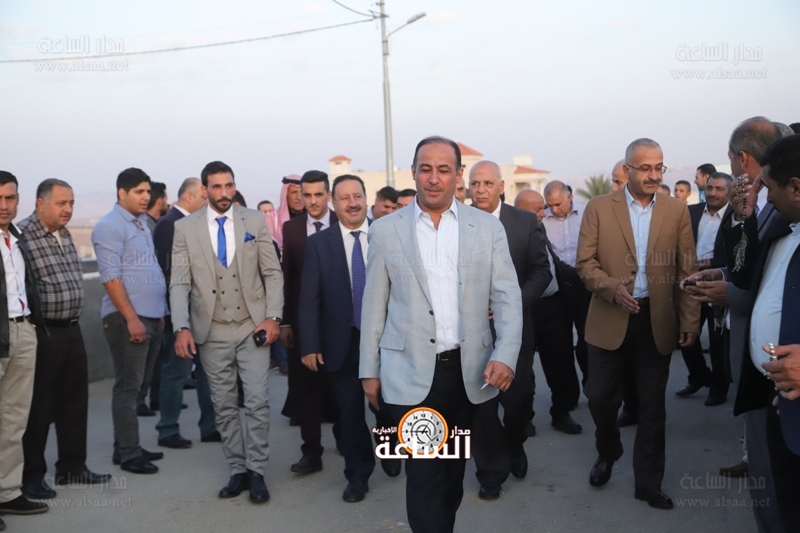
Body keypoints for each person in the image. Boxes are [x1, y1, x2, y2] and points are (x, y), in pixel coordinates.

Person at [360, 136, 522, 532]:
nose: (434, 178)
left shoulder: (487, 228)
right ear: (413, 172)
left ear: (458, 175)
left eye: (444, 170)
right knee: (424, 475)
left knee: (452, 474)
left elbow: (506, 297)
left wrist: (505, 354)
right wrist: (369, 370)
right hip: (409, 372)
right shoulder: (385, 230)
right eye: (426, 169)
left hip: (468, 373)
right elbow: (374, 304)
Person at [576, 138, 700, 509]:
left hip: (655, 320)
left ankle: (648, 484)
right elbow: (585, 264)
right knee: (600, 398)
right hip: (608, 317)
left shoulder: (677, 211)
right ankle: (608, 449)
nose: (653, 175)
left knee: (652, 408)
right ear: (627, 169)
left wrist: (689, 320)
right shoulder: (599, 208)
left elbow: (687, 270)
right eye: (645, 168)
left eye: (659, 167)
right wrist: (611, 288)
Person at [684, 117, 785, 533]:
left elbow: (761, 285)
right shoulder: (757, 209)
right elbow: (751, 269)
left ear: (742, 159)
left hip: (781, 369)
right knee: (768, 472)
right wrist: (724, 275)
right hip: (762, 367)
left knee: (778, 482)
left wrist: (732, 291)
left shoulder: (779, 210)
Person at [171, 161, 283, 503]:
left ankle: (257, 470)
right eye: (217, 187)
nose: (224, 193)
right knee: (223, 404)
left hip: (252, 326)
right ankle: (238, 470)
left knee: (258, 400)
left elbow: (273, 273)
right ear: (205, 189)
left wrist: (273, 317)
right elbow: (179, 281)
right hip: (211, 329)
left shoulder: (254, 220)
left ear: (234, 186)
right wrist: (181, 327)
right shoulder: (184, 228)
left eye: (229, 185)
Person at [298, 174, 398, 502]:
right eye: (344, 198)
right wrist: (310, 344)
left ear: (366, 199)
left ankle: (390, 445)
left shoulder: (387, 234)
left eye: (357, 196)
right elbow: (309, 298)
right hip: (341, 343)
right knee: (350, 415)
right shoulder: (319, 244)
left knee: (385, 405)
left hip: (386, 340)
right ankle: (357, 474)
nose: (352, 203)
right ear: (333, 202)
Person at [719, 133, 800, 531]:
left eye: (767, 187)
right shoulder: (783, 227)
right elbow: (741, 273)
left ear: (796, 188)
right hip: (773, 393)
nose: (763, 195)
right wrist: (745, 217)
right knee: (780, 503)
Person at [19, 179, 110, 500]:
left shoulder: (65, 233)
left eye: (71, 203)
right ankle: (31, 475)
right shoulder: (22, 236)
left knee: (74, 401)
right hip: (42, 332)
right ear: (40, 203)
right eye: (61, 203)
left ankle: (72, 466)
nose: (68, 209)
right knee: (39, 407)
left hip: (72, 329)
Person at [468, 162, 553, 501]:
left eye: (488, 183)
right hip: (471, 333)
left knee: (517, 401)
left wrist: (512, 303)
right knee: (481, 406)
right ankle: (490, 472)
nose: (480, 189)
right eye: (475, 183)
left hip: (515, 330)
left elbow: (541, 272)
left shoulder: (524, 222)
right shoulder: (456, 221)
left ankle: (515, 444)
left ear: (501, 186)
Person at [91, 168, 168, 474]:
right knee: (128, 387)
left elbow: (147, 269)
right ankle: (129, 453)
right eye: (139, 191)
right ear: (121, 193)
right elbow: (111, 278)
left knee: (139, 388)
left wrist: (158, 313)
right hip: (127, 319)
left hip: (150, 317)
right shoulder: (109, 226)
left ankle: (125, 445)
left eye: (147, 191)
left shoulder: (141, 224)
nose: (146, 197)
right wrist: (133, 318)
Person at [278, 171, 342, 476]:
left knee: (341, 387)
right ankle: (311, 452)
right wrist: (286, 323)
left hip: (340, 322)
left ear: (328, 195)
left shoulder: (343, 221)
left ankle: (346, 439)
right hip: (304, 324)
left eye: (319, 194)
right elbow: (288, 279)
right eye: (307, 195)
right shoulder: (291, 229)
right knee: (306, 389)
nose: (313, 201)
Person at [151, 178, 219, 449]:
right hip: (181, 316)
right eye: (203, 198)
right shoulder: (169, 225)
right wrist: (181, 320)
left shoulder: (192, 224)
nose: (207, 203)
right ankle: (167, 429)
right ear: (189, 197)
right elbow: (171, 273)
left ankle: (210, 427)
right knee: (176, 372)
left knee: (207, 372)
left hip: (202, 313)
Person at [514, 189, 584, 433]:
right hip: (525, 309)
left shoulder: (538, 229)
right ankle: (524, 418)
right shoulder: (507, 235)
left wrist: (585, 277)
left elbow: (553, 263)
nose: (544, 213)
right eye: (537, 209)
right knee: (523, 369)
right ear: (520, 211)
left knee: (561, 362)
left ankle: (562, 413)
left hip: (553, 306)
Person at [0, 171, 48, 521]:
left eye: (10, 198)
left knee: (14, 418)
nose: (4, 205)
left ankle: (7, 491)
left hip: (22, 330)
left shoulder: (18, 239)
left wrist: (32, 325)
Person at [675, 173, 731, 406]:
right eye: (709, 188)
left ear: (729, 192)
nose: (712, 193)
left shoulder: (737, 216)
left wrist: (709, 264)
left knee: (718, 343)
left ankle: (718, 387)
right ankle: (698, 376)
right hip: (690, 284)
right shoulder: (691, 212)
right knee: (685, 336)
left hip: (716, 284)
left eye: (719, 189)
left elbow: (739, 254)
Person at [543, 180, 590, 385]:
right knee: (560, 345)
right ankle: (567, 394)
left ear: (569, 196)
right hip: (558, 290)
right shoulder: (542, 221)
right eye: (549, 205)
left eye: (558, 204)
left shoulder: (588, 214)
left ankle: (591, 385)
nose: (554, 209)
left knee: (587, 340)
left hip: (586, 287)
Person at [264, 175, 305, 252]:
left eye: (302, 192)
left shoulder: (313, 218)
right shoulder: (271, 219)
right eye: (294, 192)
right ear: (285, 195)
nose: (299, 197)